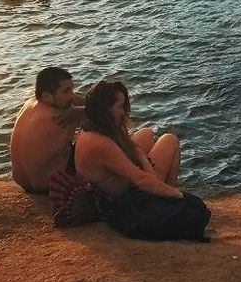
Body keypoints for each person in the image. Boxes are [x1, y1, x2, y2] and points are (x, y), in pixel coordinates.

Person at [75, 80, 209, 240]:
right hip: (126, 206)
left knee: (145, 133)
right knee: (170, 140)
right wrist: (176, 194)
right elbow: (140, 179)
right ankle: (165, 197)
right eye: (119, 107)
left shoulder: (90, 129)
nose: (124, 112)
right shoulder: (101, 143)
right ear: (105, 109)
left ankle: (164, 195)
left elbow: (131, 153)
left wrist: (138, 154)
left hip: (110, 196)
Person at [10, 67, 87, 193]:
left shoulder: (32, 103)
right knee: (94, 135)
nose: (71, 95)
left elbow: (86, 102)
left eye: (72, 89)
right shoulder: (59, 116)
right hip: (46, 186)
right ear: (47, 96)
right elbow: (103, 112)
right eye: (66, 91)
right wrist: (79, 112)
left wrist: (78, 109)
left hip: (23, 182)